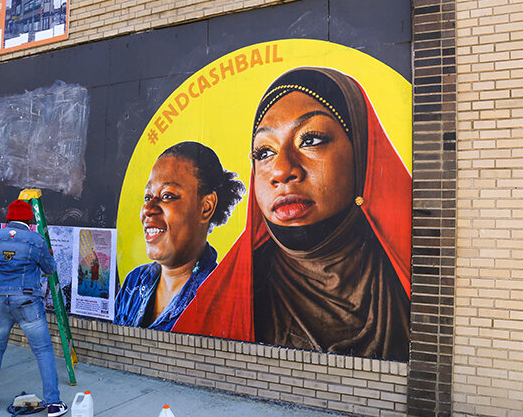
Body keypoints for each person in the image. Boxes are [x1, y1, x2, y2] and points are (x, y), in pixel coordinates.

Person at [173, 67, 412, 361]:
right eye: (264, 152)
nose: (282, 170)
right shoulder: (227, 300)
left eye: (310, 139)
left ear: (361, 152)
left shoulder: (416, 275)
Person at [114, 141, 244, 331]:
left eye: (167, 196)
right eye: (148, 197)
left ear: (206, 206)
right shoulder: (134, 282)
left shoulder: (220, 298)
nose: (148, 209)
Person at [0, 199, 67, 417]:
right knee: (43, 350)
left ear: (8, 218)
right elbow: (50, 268)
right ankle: (54, 404)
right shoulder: (36, 240)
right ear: (30, 219)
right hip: (27, 301)